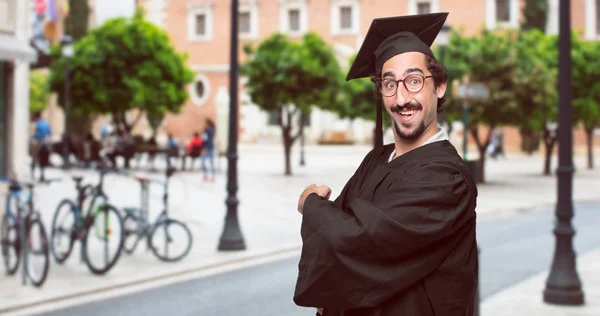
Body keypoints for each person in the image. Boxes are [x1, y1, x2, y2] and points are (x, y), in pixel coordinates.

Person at [293, 13, 478, 316]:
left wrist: (310, 204)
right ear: (379, 92)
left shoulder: (447, 179)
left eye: (415, 81)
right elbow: (337, 246)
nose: (402, 97)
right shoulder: (376, 160)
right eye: (389, 84)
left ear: (440, 86)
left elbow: (362, 240)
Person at [30, 111, 52, 181]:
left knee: (34, 158)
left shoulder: (38, 124)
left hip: (39, 143)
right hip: (46, 143)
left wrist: (33, 137)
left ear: (36, 117)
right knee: (43, 160)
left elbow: (37, 135)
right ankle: (42, 175)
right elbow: (49, 132)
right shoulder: (46, 123)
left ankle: (32, 174)